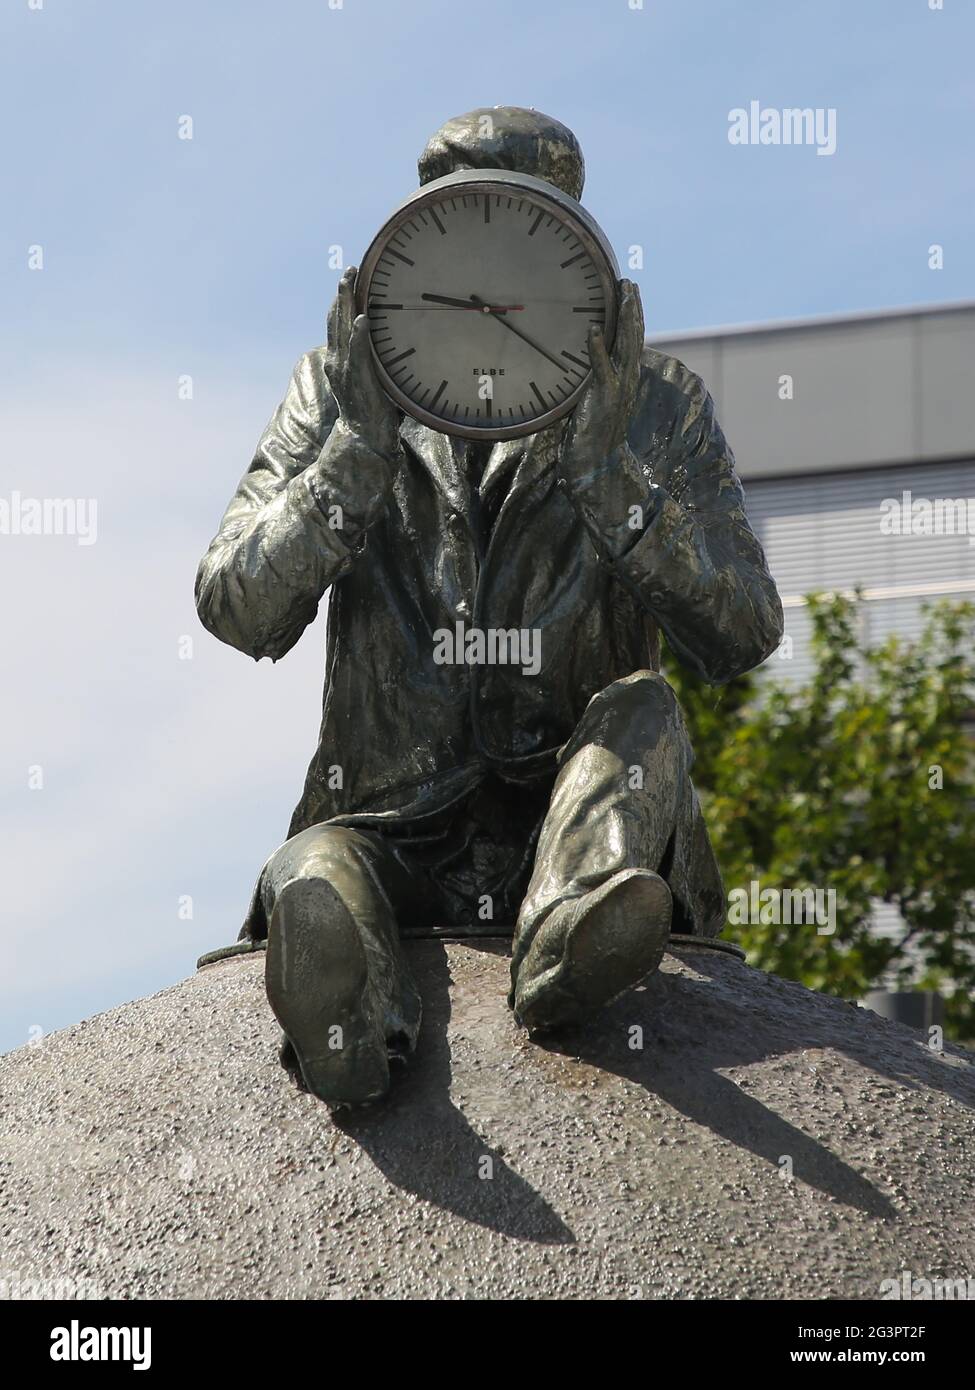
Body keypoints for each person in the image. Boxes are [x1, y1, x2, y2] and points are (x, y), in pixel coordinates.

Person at [195, 107, 784, 1107]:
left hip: (580, 818)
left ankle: (571, 936)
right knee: (321, 867)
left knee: (643, 708)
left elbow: (742, 631)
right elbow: (236, 606)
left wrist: (609, 475)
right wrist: (356, 450)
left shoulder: (658, 402)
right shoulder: (335, 390)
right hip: (386, 827)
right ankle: (344, 1006)